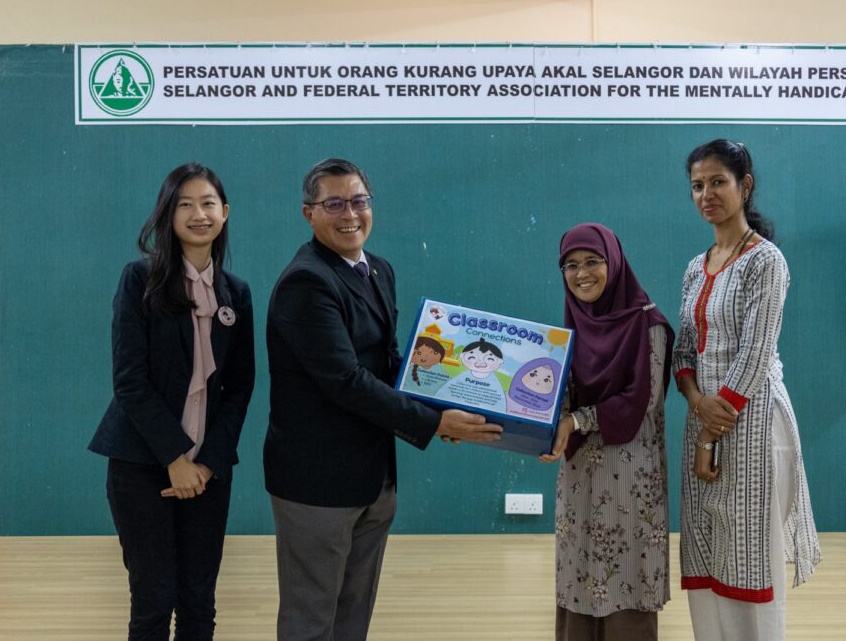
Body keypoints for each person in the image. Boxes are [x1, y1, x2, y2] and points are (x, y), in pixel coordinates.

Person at [263, 157, 503, 641]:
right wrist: (435, 424)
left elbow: (392, 362)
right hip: (317, 484)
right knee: (311, 620)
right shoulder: (306, 282)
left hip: (372, 477)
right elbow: (347, 380)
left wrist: (446, 402)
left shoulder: (378, 270)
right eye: (334, 203)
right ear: (309, 213)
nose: (350, 213)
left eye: (359, 201)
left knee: (353, 616)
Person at [89, 162, 255, 640]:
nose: (198, 213)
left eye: (207, 203)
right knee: (153, 600)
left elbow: (240, 386)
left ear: (224, 212)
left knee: (200, 601)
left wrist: (205, 463)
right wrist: (175, 459)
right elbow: (130, 382)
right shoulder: (139, 281)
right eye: (185, 204)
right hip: (142, 464)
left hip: (209, 469)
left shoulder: (236, 292)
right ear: (167, 214)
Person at [671, 139, 821, 640]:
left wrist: (710, 433)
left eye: (718, 182)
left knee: (751, 555)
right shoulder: (696, 266)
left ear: (745, 185)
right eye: (697, 185)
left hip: (753, 421)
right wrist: (696, 406)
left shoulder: (766, 261)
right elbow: (684, 353)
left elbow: (756, 354)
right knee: (708, 548)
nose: (706, 194)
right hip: (704, 416)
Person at [540, 222, 674, 641]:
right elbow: (558, 392)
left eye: (593, 261)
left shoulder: (647, 324)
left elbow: (643, 400)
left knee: (626, 574)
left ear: (613, 262)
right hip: (580, 473)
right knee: (579, 570)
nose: (582, 274)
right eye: (571, 265)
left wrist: (576, 421)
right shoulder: (569, 330)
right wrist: (541, 426)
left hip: (630, 476)